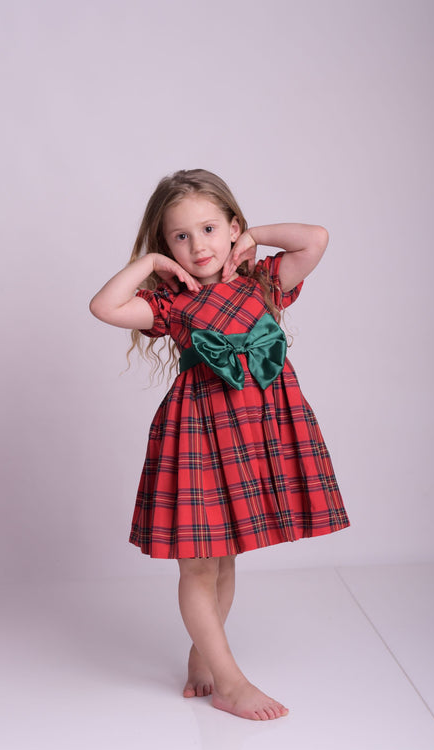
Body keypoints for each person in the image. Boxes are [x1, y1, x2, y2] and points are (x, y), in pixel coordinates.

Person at [89, 169, 350, 721]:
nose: (197, 245)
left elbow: (316, 237)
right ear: (167, 245)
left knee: (225, 561)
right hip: (199, 440)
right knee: (197, 567)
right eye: (179, 236)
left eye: (209, 229)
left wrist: (255, 235)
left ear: (232, 228)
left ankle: (202, 656)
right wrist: (149, 265)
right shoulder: (172, 303)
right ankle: (230, 681)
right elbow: (105, 307)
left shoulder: (261, 280)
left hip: (255, 436)